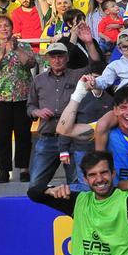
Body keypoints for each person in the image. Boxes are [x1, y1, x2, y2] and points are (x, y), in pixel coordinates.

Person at [0, 15, 37, 183]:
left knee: (23, 134)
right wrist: (2, 52)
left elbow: (31, 63)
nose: (4, 29)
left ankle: (24, 168)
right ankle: (3, 170)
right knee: (2, 135)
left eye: (7, 26)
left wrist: (16, 49)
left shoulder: (24, 46)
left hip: (23, 96)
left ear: (12, 29)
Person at [28, 41, 87, 187]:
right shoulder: (38, 80)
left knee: (76, 184)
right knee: (35, 184)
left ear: (67, 58)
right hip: (47, 136)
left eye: (60, 56)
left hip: (71, 137)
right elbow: (30, 107)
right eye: (53, 57)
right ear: (47, 59)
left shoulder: (77, 75)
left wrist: (89, 42)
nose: (57, 60)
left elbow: (96, 65)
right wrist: (38, 112)